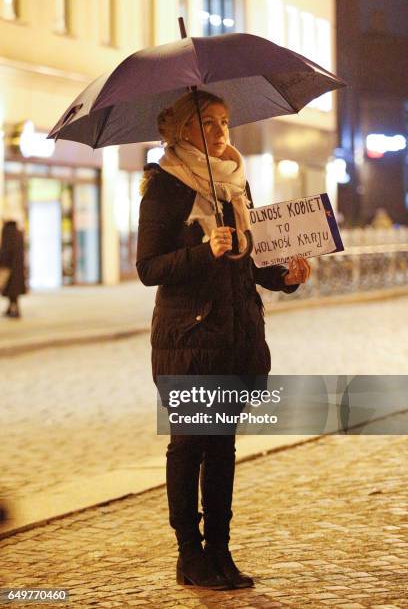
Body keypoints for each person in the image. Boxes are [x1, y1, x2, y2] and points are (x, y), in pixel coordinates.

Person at [136, 90, 311, 590]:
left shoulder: (236, 187)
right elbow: (148, 267)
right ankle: (189, 555)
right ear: (180, 131)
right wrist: (203, 251)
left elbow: (250, 263)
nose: (219, 132)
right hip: (188, 335)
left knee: (222, 447)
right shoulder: (164, 187)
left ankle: (221, 553)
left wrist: (286, 277)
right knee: (190, 444)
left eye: (225, 122)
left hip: (235, 333)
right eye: (207, 123)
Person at [0, 219, 27, 319]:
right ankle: (11, 309)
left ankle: (15, 311)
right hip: (18, 268)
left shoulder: (7, 233)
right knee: (14, 291)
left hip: (9, 267)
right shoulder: (19, 233)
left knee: (11, 290)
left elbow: (5, 251)